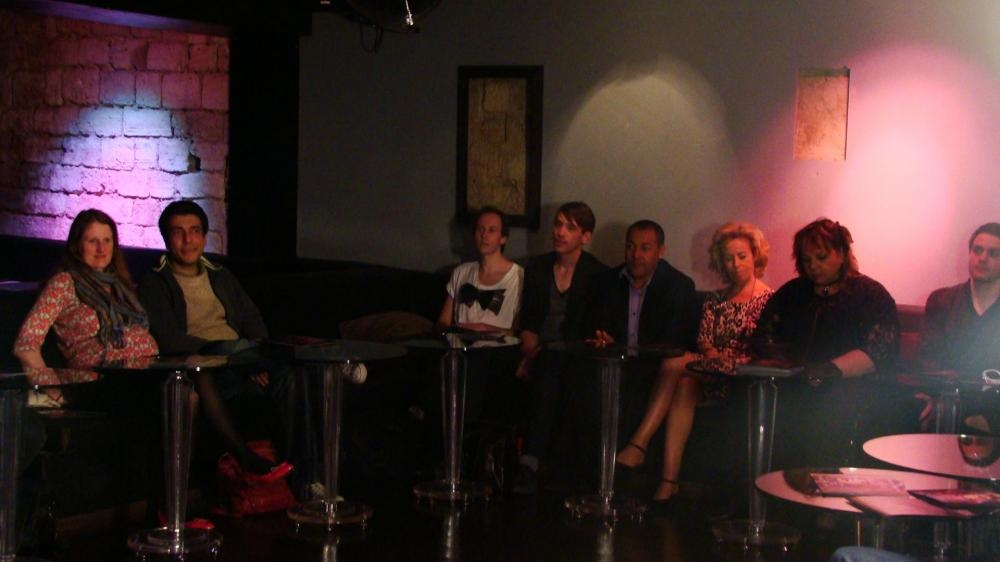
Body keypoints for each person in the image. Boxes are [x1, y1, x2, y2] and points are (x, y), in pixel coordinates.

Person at [615, 222, 773, 503]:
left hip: (741, 377)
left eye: (742, 256)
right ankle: (669, 482)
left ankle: (639, 444)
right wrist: (712, 356)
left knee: (675, 362)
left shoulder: (768, 300)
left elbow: (762, 348)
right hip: (708, 372)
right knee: (685, 383)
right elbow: (703, 338)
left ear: (755, 256)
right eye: (729, 258)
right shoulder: (716, 299)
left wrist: (725, 359)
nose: (735, 264)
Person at [137, 200, 287, 476]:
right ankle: (245, 458)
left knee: (296, 376)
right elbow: (167, 337)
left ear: (204, 237)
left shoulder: (221, 275)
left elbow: (252, 318)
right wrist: (228, 355)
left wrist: (256, 357)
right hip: (205, 362)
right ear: (166, 239)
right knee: (205, 371)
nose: (188, 240)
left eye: (194, 231)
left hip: (240, 357)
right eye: (178, 232)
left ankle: (307, 474)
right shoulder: (155, 282)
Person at [752, 218, 900, 467]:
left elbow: (880, 352)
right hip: (794, 385)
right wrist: (785, 365)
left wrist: (826, 371)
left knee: (833, 406)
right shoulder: (792, 293)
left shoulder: (870, 295)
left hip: (850, 389)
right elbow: (764, 337)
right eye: (807, 260)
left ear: (841, 253)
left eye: (821, 257)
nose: (813, 267)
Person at [577, 219, 700, 486]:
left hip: (654, 366)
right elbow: (593, 325)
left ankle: (635, 453)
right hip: (615, 363)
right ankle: (593, 479)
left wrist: (630, 348)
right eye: (631, 246)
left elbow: (675, 341)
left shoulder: (678, 286)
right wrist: (603, 337)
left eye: (645, 248)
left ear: (660, 251)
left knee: (666, 379)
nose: (636, 255)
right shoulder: (607, 282)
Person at [510, 202, 607, 495]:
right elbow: (529, 320)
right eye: (558, 224)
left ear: (585, 237)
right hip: (539, 349)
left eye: (570, 227)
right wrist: (530, 348)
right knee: (547, 367)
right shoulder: (539, 267)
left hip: (574, 352)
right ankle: (531, 465)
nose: (560, 232)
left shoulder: (596, 273)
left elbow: (591, 328)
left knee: (556, 368)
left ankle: (532, 463)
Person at [14, 209, 158, 397]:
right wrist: (56, 393)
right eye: (93, 241)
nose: (101, 249)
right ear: (77, 246)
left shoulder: (120, 285)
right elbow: (25, 346)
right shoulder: (64, 283)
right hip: (97, 388)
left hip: (146, 380)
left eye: (107, 240)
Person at [918, 222, 1000, 433]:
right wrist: (936, 398)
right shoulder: (942, 300)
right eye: (977, 250)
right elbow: (929, 359)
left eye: (993, 253)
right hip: (948, 401)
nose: (983, 258)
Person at [437, 205, 524, 334]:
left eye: (491, 230)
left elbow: (520, 331)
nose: (484, 235)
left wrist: (485, 330)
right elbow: (443, 322)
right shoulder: (461, 272)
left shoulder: (518, 276)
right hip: (460, 344)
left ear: (503, 238)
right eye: (480, 229)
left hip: (499, 346)